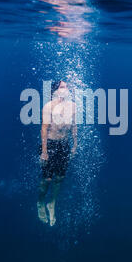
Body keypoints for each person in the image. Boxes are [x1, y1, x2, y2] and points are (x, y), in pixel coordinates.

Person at [37, 81, 77, 226]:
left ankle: (52, 203)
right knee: (46, 180)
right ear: (55, 91)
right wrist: (44, 151)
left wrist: (75, 144)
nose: (66, 89)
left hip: (64, 145)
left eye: (66, 87)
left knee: (59, 178)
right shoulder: (49, 107)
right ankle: (41, 202)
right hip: (51, 145)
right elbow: (44, 129)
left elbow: (74, 125)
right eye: (62, 87)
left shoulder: (73, 106)